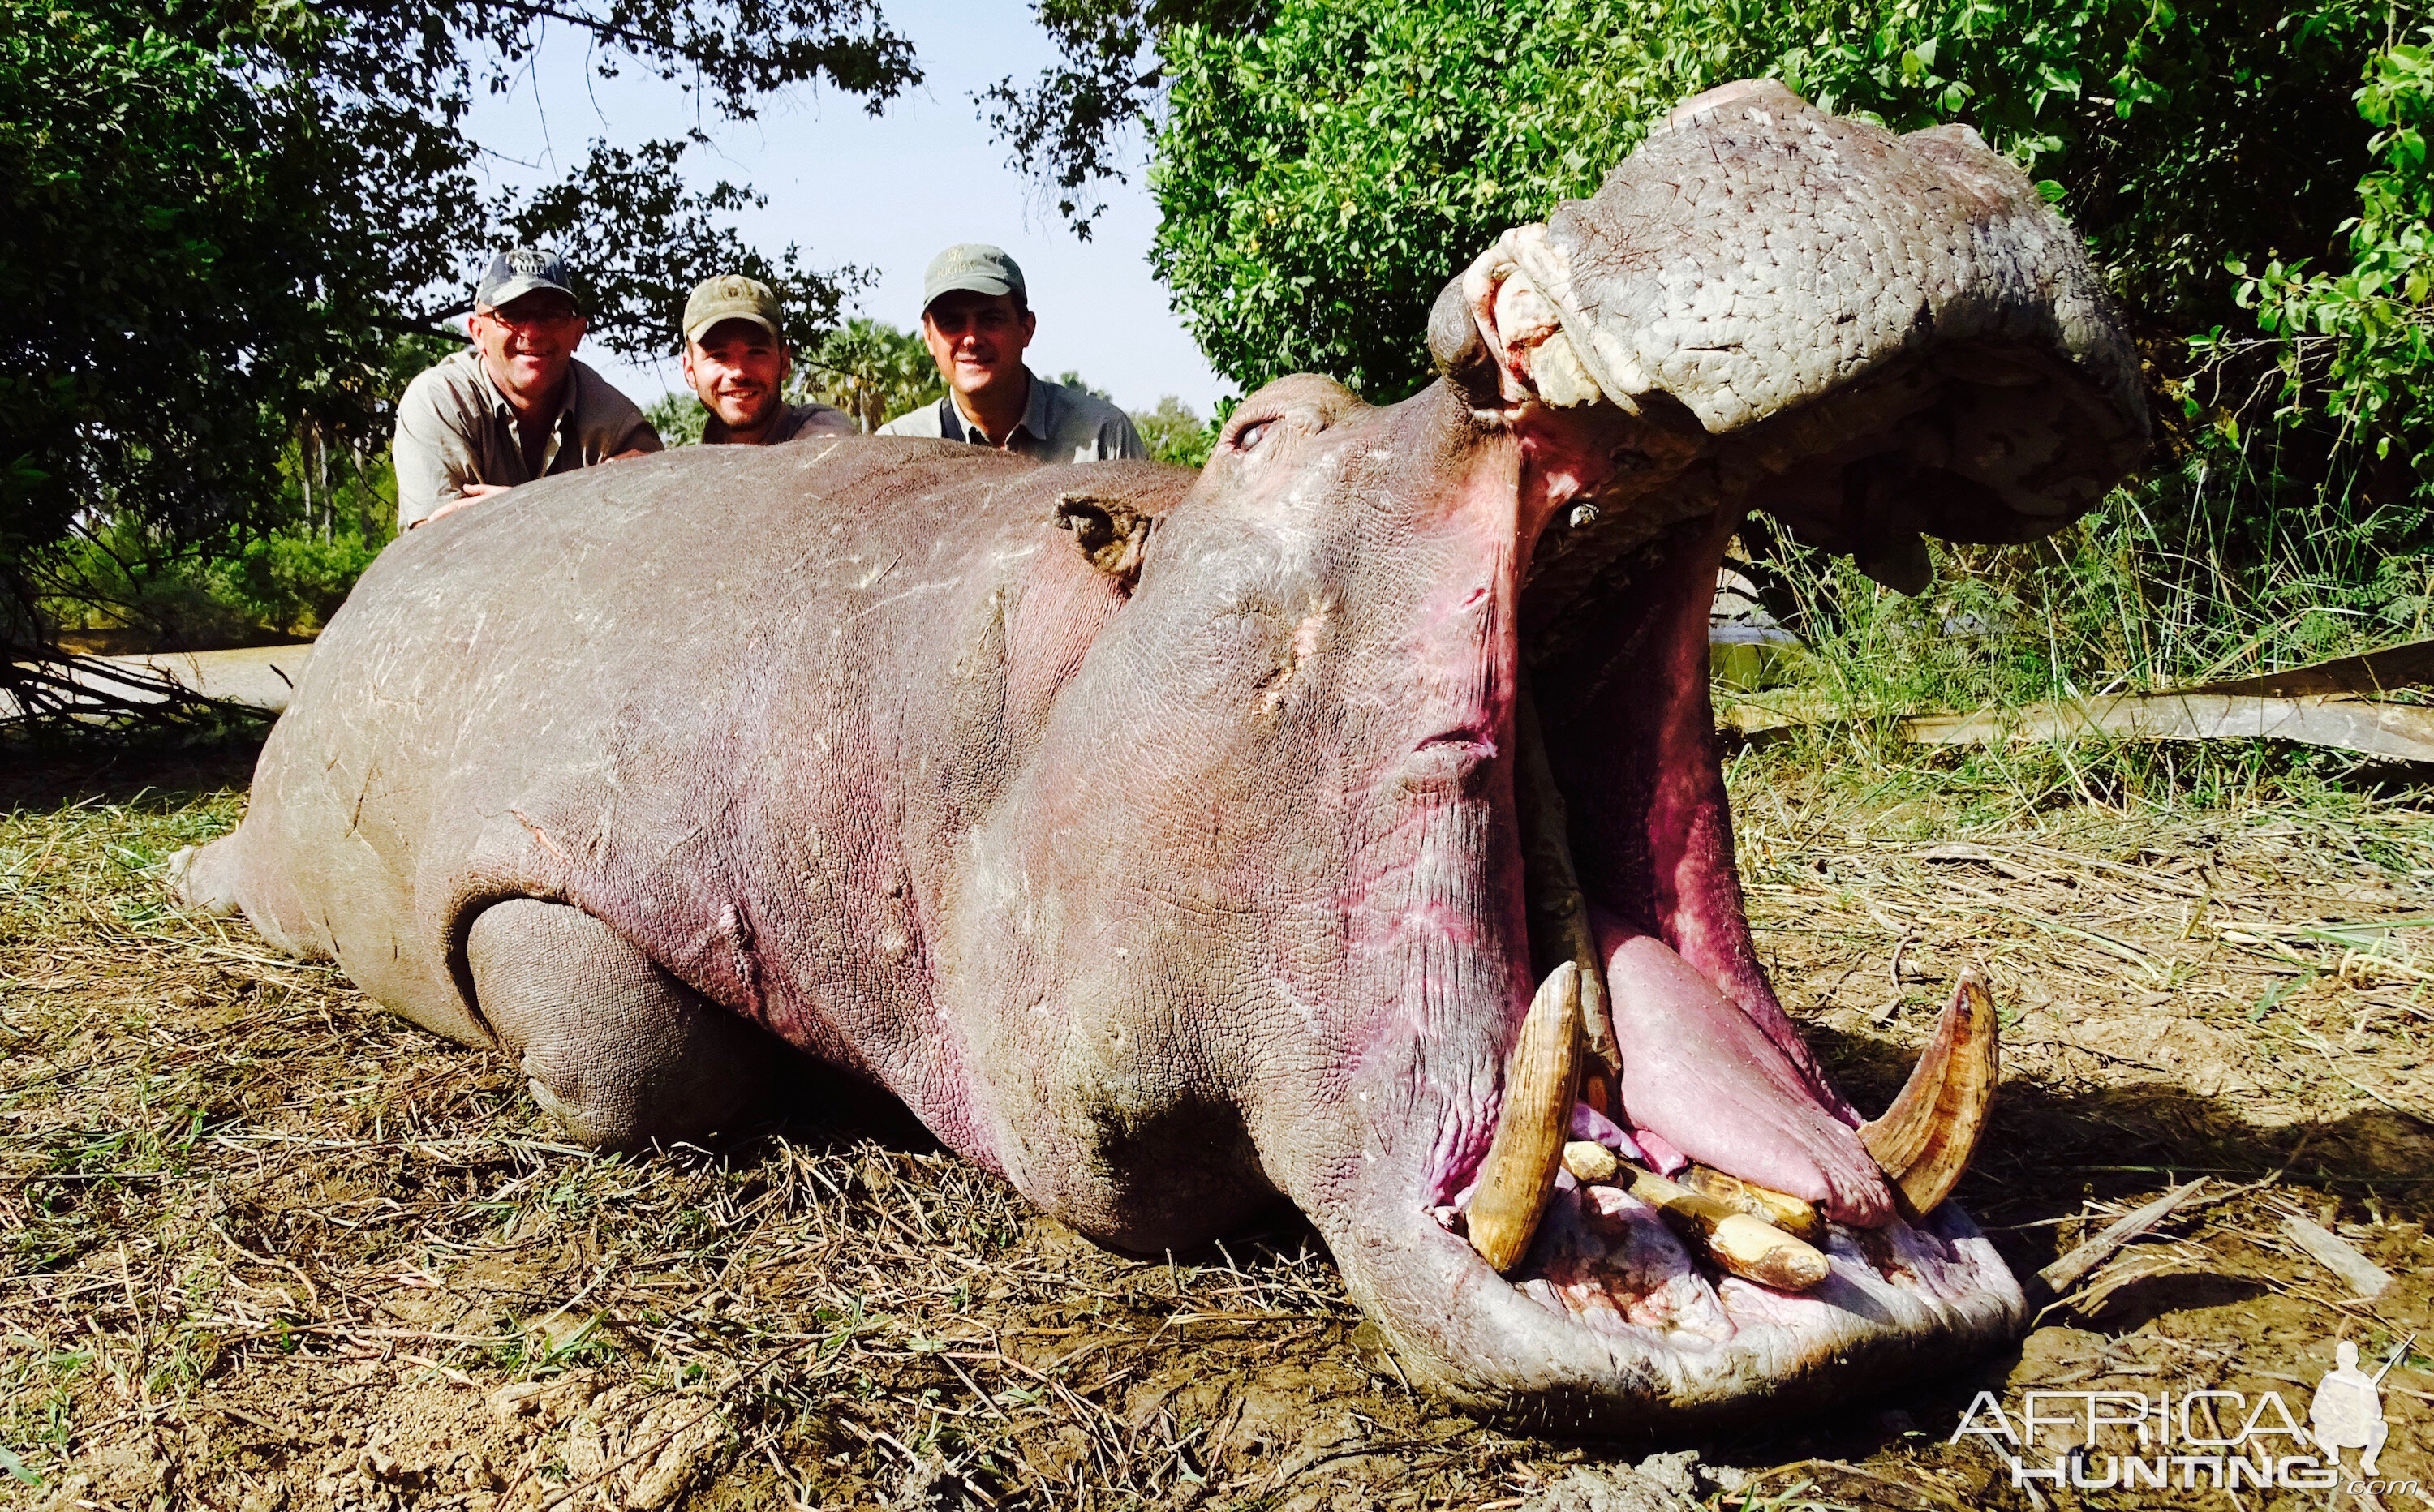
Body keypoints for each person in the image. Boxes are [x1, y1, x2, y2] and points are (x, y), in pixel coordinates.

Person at [393, 247, 660, 530]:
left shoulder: (617, 422)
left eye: (553, 315)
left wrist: (523, 508)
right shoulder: (440, 403)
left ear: (578, 333)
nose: (532, 332)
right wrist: (577, 509)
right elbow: (437, 544)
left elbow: (647, 529)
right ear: (478, 332)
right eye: (512, 314)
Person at [878, 244, 1146, 462]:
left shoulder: (1105, 438)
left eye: (990, 319)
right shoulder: (895, 450)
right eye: (952, 323)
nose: (971, 339)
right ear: (928, 338)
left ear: (1026, 329)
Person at [680, 275, 854, 445]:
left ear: (785, 362)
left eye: (756, 352)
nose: (738, 372)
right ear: (689, 370)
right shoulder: (704, 452)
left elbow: (829, 445)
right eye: (718, 355)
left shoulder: (820, 431)